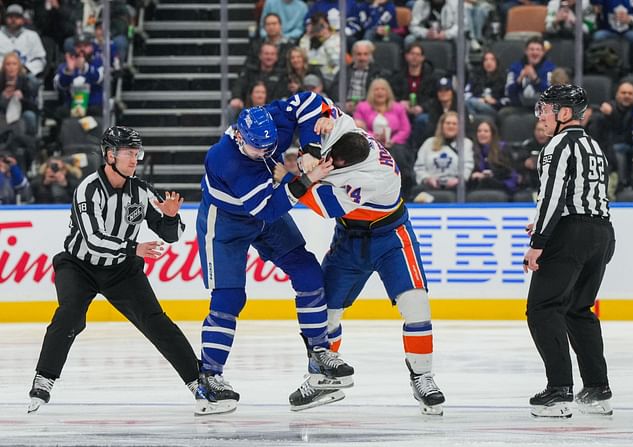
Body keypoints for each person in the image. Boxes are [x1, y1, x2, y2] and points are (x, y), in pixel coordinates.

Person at [27, 126, 225, 416]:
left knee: (156, 322)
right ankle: (44, 379)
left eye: (136, 153)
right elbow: (93, 239)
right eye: (128, 153)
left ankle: (199, 384)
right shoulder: (88, 189)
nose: (134, 159)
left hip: (120, 270)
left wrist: (170, 218)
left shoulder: (142, 191)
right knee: (69, 315)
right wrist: (134, 248)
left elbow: (172, 234)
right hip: (79, 266)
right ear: (110, 155)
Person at [276, 108, 446, 416]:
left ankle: (423, 376)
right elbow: (322, 109)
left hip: (391, 237)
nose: (329, 166)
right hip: (349, 237)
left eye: (335, 165)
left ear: (351, 163)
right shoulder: (344, 127)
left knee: (416, 304)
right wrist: (321, 126)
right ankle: (322, 377)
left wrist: (290, 177)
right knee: (325, 312)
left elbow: (323, 205)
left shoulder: (373, 177)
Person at [197, 92, 355, 413]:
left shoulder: (270, 119)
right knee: (228, 299)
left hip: (265, 209)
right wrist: (308, 177)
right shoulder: (224, 159)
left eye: (270, 146)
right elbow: (268, 209)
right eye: (258, 148)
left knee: (309, 272)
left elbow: (312, 101)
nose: (265, 153)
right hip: (227, 224)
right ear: (239, 136)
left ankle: (319, 351)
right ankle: (210, 375)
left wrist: (310, 147)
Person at [523, 85, 615, 418]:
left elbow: (553, 196)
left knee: (543, 308)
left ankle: (559, 391)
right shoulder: (593, 146)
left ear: (564, 114)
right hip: (602, 233)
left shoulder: (556, 146)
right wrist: (544, 225)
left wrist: (538, 242)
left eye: (546, 110)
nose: (542, 116)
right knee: (578, 308)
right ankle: (597, 389)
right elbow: (589, 196)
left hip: (570, 235)